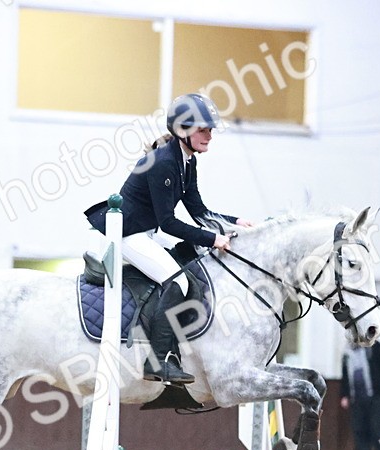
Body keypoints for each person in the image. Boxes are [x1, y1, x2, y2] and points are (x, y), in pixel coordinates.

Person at [85, 92, 254, 384]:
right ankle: (157, 361)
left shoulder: (187, 161)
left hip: (145, 233)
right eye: (203, 130)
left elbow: (199, 210)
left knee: (190, 260)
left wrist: (235, 222)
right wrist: (213, 239)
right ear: (182, 130)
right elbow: (169, 223)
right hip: (125, 236)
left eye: (210, 130)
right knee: (179, 281)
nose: (209, 136)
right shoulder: (163, 162)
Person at [340, 339, 380, 450]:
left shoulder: (375, 347)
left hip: (376, 396)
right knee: (359, 431)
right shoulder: (346, 353)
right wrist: (344, 395)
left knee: (379, 431)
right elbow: (345, 375)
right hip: (356, 399)